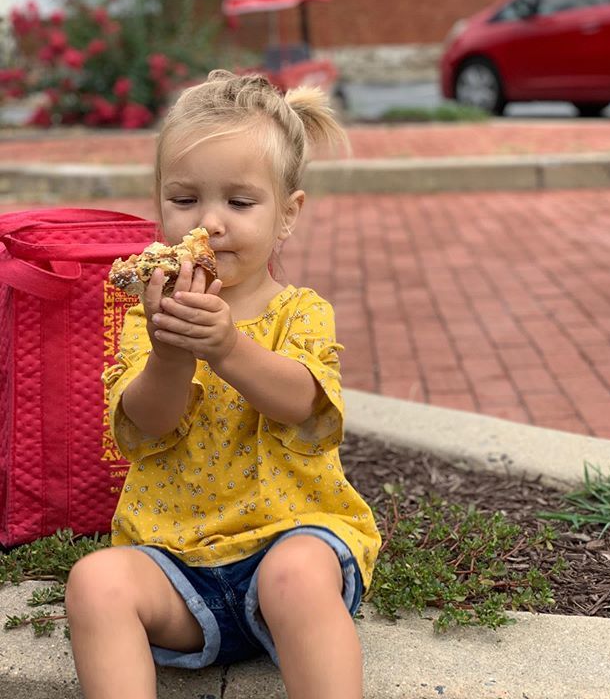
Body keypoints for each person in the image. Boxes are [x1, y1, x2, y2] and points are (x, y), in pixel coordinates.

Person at [65, 70, 381, 699]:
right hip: (178, 566)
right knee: (95, 582)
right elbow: (147, 424)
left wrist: (229, 347)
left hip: (291, 541)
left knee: (295, 574)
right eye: (184, 200)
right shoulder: (143, 316)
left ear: (286, 215)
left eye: (239, 203)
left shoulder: (301, 311)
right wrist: (173, 356)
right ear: (158, 202)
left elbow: (303, 406)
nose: (208, 224)